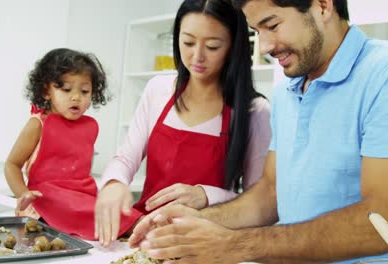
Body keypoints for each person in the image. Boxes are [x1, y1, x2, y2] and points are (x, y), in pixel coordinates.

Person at [128, 0, 388, 263]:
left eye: (272, 25)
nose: (264, 46)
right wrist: (196, 219)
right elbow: (271, 191)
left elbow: (386, 219)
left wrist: (233, 245)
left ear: (323, 6)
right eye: (256, 31)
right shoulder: (286, 92)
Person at [95, 0, 271, 247]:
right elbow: (125, 158)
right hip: (146, 234)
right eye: (187, 42)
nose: (196, 56)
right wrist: (114, 183)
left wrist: (206, 195)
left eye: (212, 46)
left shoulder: (254, 111)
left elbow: (258, 204)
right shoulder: (158, 89)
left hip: (203, 243)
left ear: (233, 46)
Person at [4, 48, 108, 240]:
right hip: (47, 201)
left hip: (81, 198)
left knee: (114, 211)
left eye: (84, 91)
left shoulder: (90, 127)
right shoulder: (38, 124)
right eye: (66, 90)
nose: (76, 97)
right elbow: (12, 165)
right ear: (46, 91)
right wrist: (23, 194)